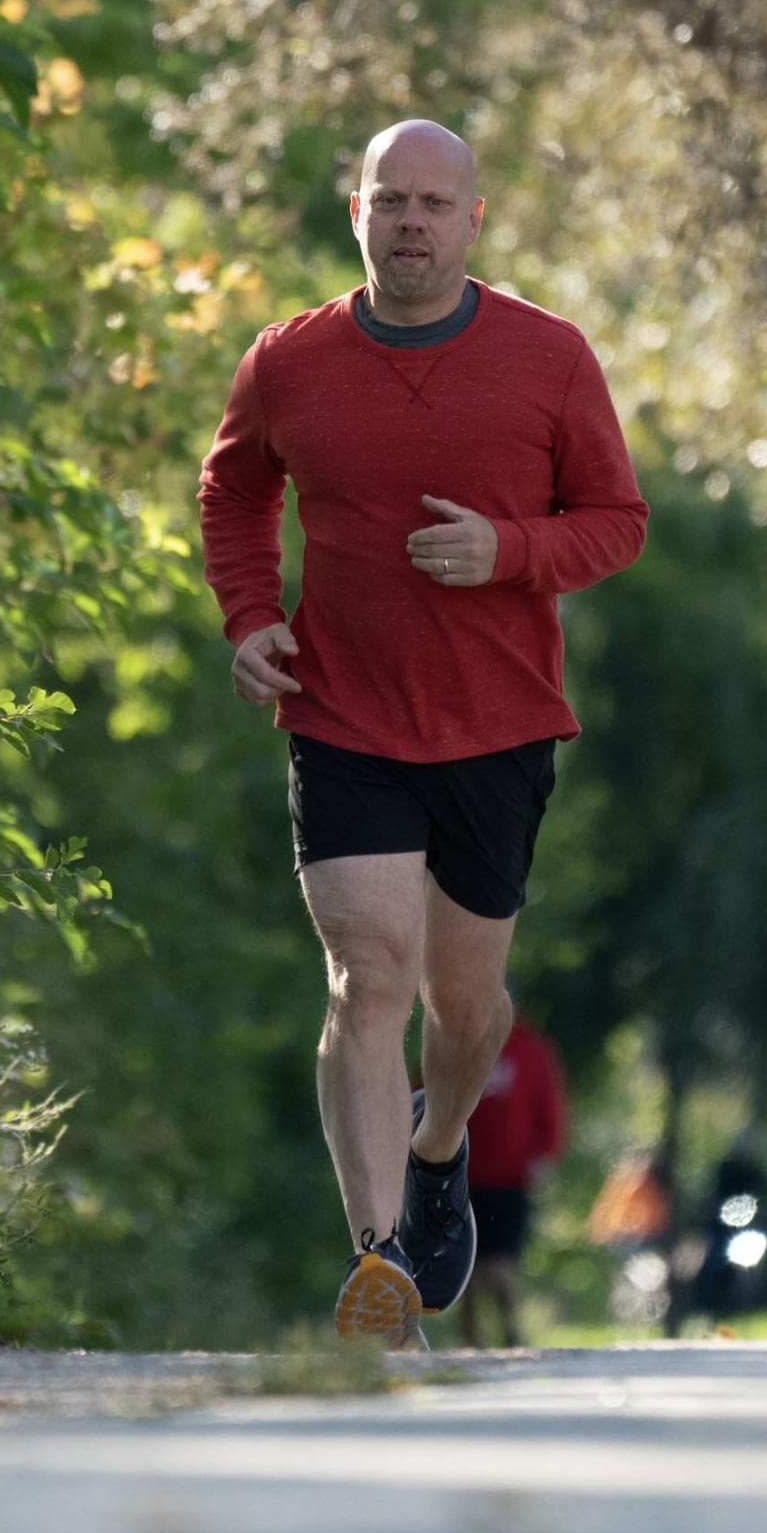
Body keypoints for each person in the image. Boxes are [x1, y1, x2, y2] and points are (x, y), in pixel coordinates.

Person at [198, 118, 647, 1350]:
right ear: (356, 212)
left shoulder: (547, 357)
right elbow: (234, 490)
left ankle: (438, 1140)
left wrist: (511, 551)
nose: (411, 220)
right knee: (367, 973)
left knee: (468, 1007)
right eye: (389, 199)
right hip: (341, 708)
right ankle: (380, 1262)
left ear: (472, 220)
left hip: (498, 720)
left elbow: (616, 519)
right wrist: (249, 616)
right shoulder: (289, 360)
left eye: (433, 203)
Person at [454, 1006, 568, 1347]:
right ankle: (470, 1338)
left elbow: (551, 1108)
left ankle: (508, 1327)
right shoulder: (457, 1046)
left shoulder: (530, 1051)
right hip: (461, 1175)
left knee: (501, 1262)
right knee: (465, 1263)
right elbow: (425, 1095)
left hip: (511, 1180)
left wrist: (545, 1156)